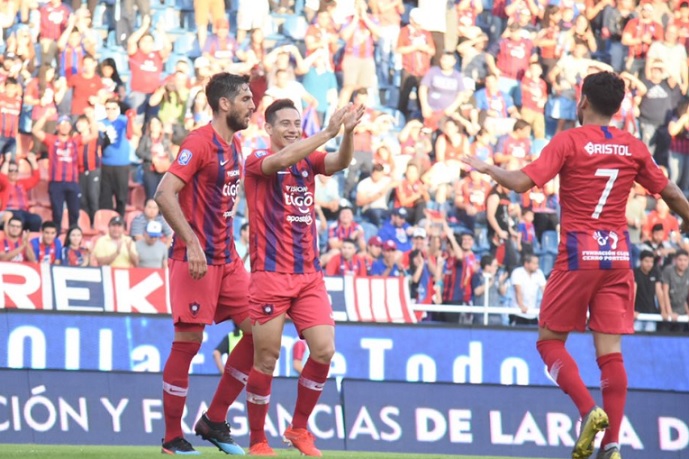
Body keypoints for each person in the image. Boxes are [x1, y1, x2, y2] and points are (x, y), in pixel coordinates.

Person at [463, 71, 689, 459]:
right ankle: (612, 444)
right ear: (617, 108)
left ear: (582, 101)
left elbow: (521, 183)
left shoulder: (569, 140)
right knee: (611, 353)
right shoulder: (633, 146)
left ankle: (588, 411)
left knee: (549, 342)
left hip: (577, 255)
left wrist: (488, 169)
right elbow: (668, 190)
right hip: (617, 258)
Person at [243, 99, 363, 456]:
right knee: (266, 359)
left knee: (324, 350)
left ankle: (298, 428)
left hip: (309, 275)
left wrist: (347, 134)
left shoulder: (309, 159)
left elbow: (340, 162)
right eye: (285, 123)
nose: (293, 129)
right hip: (270, 274)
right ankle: (257, 439)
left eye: (297, 123)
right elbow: (281, 161)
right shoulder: (257, 159)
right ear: (268, 128)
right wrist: (327, 131)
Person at [154, 73, 256, 456]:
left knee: (261, 333)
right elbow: (164, 193)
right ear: (224, 104)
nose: (252, 105)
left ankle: (214, 420)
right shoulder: (198, 143)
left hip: (228, 259)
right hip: (195, 259)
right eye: (245, 99)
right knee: (189, 342)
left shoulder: (236, 144)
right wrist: (193, 242)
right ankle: (171, 439)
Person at [633, 250, 663, 332]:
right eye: (646, 261)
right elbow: (633, 292)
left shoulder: (655, 272)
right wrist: (632, 310)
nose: (649, 264)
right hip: (637, 313)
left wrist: (663, 310)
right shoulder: (635, 273)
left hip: (651, 313)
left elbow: (659, 292)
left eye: (651, 262)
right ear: (640, 261)